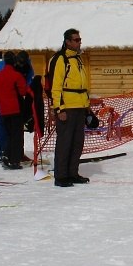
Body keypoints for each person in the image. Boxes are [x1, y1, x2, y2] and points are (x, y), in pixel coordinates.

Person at [50, 29, 91, 187]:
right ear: (67, 41)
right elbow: (56, 86)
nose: (79, 42)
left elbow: (83, 85)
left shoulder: (78, 59)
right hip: (67, 108)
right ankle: (61, 176)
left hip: (80, 107)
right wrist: (59, 109)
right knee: (65, 143)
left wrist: (87, 107)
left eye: (80, 39)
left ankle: (73, 173)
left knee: (77, 143)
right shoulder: (61, 59)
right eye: (76, 40)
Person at [0, 51, 32, 170]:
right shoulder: (17, 75)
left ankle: (5, 155)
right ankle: (14, 160)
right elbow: (23, 91)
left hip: (2, 108)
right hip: (15, 108)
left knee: (6, 132)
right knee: (16, 134)